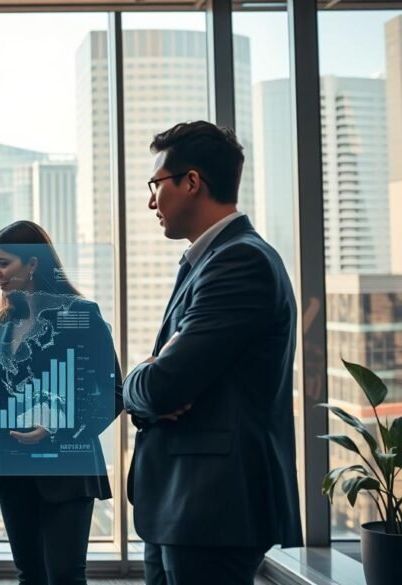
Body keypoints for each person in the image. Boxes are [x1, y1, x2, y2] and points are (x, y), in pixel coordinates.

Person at [124, 121, 302, 585]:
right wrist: (154, 382)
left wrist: (134, 381)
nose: (150, 201)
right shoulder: (209, 260)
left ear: (192, 182)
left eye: (155, 185)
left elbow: (163, 384)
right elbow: (167, 384)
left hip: (212, 510)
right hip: (183, 507)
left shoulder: (239, 262)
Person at [0, 221, 122, 585]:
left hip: (66, 466)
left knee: (66, 575)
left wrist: (56, 426)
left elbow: (113, 392)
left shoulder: (81, 314)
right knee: (30, 574)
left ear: (33, 263)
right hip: (11, 466)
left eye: (3, 263)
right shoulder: (0, 325)